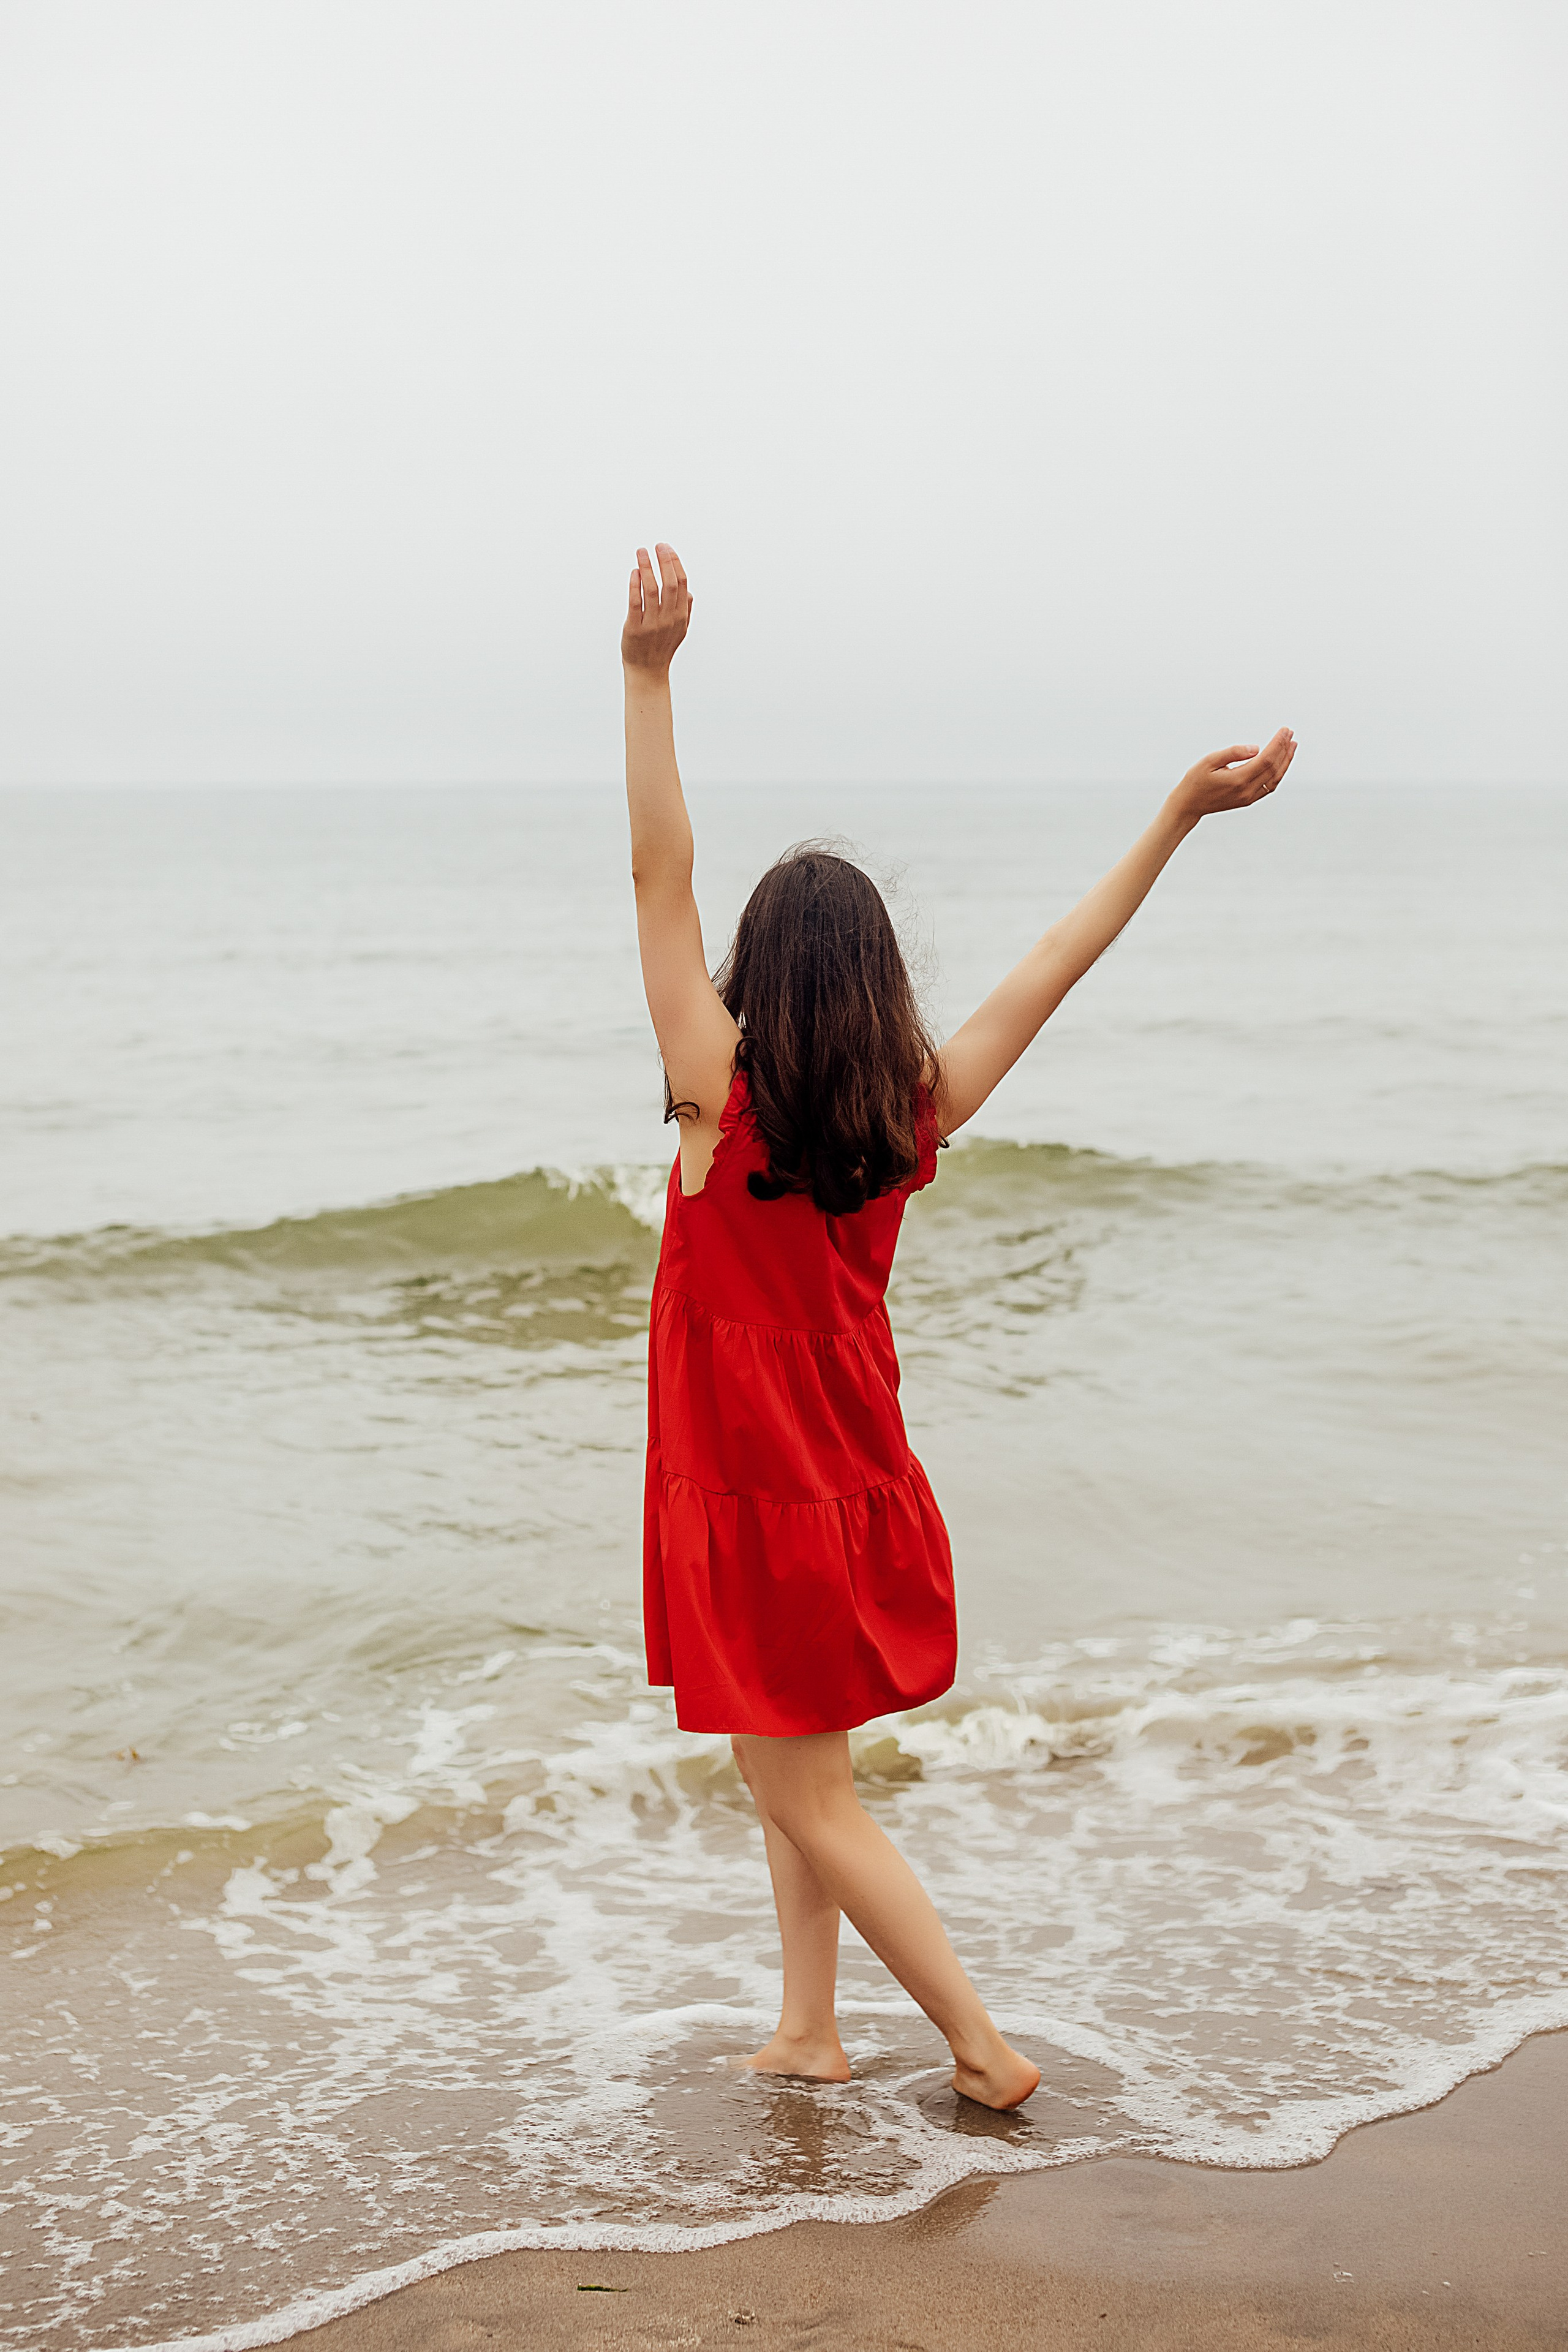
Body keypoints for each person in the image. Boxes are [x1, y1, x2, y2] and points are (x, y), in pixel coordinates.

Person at [623, 541, 1295, 2110]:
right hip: (850, 1486)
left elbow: (658, 876)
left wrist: (646, 680)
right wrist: (1172, 820)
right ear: (873, 986)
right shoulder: (914, 1105)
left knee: (805, 1792)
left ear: (752, 980)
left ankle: (982, 2050)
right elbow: (1059, 958)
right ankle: (808, 2026)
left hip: (758, 1497)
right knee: (794, 1773)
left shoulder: (717, 1097)